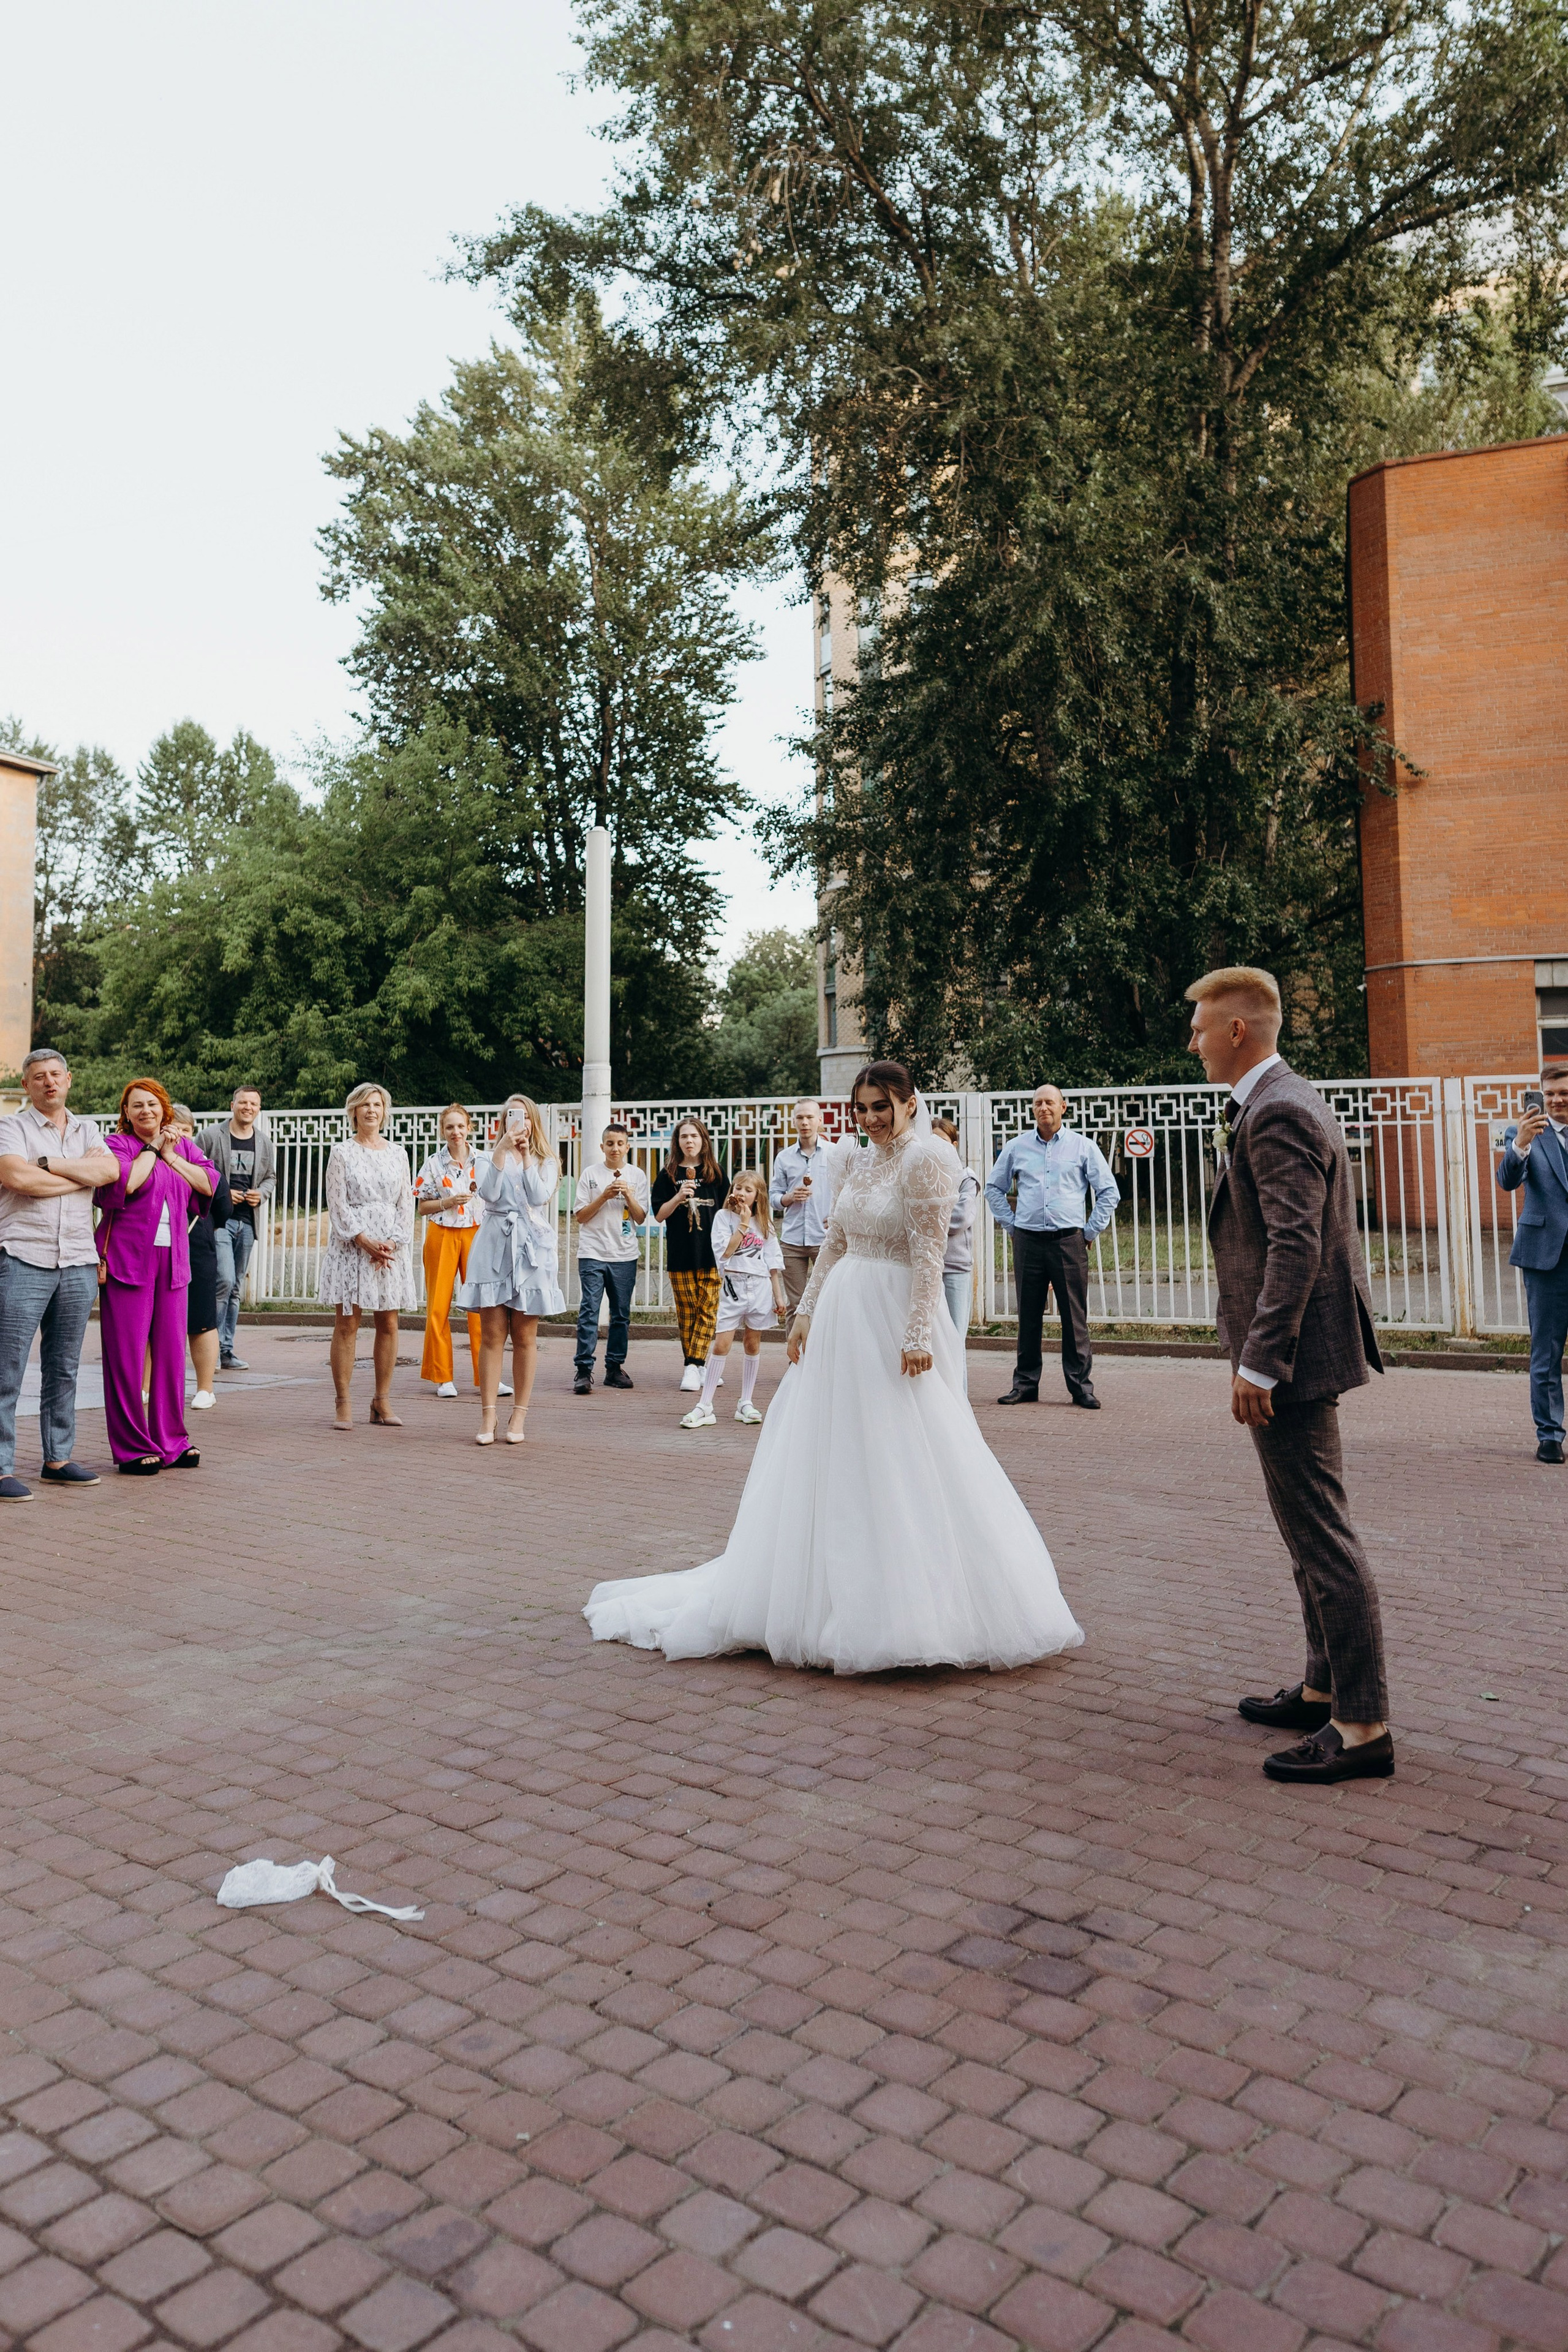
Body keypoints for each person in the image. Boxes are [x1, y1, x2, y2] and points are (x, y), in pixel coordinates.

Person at [585, 1061, 1084, 1673]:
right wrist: (804, 1314)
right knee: (837, 1447)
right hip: (844, 1316)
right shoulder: (855, 1160)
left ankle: (916, 1602)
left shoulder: (929, 1159)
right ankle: (824, 1591)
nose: (871, 1119)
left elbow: (930, 1252)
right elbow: (836, 1244)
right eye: (862, 1108)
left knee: (907, 1444)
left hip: (897, 1314)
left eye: (882, 1106)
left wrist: (917, 1334)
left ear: (909, 1103)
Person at [1188, 963, 1391, 1786]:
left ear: (1237, 1030)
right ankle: (1322, 1689)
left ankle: (1363, 1724)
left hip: (1295, 1358)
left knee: (1323, 1538)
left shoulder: (1276, 1110)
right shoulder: (1278, 1100)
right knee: (1304, 1531)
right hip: (1298, 1352)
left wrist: (1260, 1363)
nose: (1193, 1043)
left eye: (1200, 1028)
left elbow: (1295, 1246)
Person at [0, 1047, 118, 1502]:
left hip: (78, 1261)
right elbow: (18, 1179)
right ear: (26, 1085)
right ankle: (2, 1467)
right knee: (7, 1368)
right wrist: (81, 1177)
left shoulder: (89, 1130)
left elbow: (109, 1171)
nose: (49, 1082)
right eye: (39, 1077)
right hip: (22, 1257)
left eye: (55, 1074)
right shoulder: (11, 1127)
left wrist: (48, 1164)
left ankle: (57, 1459)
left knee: (64, 1367)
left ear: (69, 1079)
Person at [96, 1080, 216, 1474]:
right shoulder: (116, 1146)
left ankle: (171, 1441)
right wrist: (152, 1150)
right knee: (127, 1358)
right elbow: (126, 1182)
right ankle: (132, 1447)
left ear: (164, 1109)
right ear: (126, 1113)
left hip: (174, 1261)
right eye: (137, 1106)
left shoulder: (183, 1146)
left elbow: (209, 1184)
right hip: (128, 1261)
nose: (145, 1111)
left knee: (170, 1354)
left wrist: (171, 1155)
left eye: (152, 1104)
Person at [987, 1085, 1118, 1411]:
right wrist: (1011, 1225)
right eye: (1038, 1103)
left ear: (1063, 1107)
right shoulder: (1017, 1147)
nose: (1043, 1107)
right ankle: (1025, 1384)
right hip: (1028, 1241)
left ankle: (1081, 1388)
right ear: (1033, 1110)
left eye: (1049, 1102)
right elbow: (993, 1188)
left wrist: (1090, 1231)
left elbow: (1108, 1191)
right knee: (1028, 1316)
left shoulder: (1083, 1147)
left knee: (1074, 1317)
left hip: (1069, 1242)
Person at [457, 1094, 565, 1444]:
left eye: (525, 1117)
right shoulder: (486, 1157)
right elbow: (488, 1194)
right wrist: (502, 1151)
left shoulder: (548, 1160)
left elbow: (538, 1197)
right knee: (491, 1335)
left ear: (534, 1122)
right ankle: (488, 1414)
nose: (519, 1123)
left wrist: (527, 1155)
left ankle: (519, 1415)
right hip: (493, 1243)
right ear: (502, 1122)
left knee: (524, 1336)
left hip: (531, 1247)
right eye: (512, 1117)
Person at [318, 1082, 415, 1430]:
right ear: (354, 1112)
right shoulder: (341, 1152)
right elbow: (337, 1203)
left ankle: (381, 1401)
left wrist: (392, 1242)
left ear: (384, 1111)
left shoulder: (399, 1153)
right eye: (365, 1105)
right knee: (348, 1323)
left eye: (377, 1105)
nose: (371, 1110)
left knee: (389, 1323)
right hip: (352, 1246)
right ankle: (343, 1402)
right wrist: (363, 1240)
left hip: (389, 1250)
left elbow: (406, 1203)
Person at [1496, 1061, 1568, 1463]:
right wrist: (1521, 1144)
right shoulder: (1522, 1133)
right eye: (1550, 1093)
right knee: (1547, 1352)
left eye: (1564, 1093)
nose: (1557, 1100)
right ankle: (1549, 1435)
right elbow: (1507, 1181)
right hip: (1546, 1258)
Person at [680, 1169, 787, 1428]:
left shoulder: (765, 1224)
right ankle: (705, 1405)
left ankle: (746, 1402)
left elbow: (772, 1262)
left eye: (748, 1190)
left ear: (758, 1196)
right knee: (721, 1344)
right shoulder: (723, 1217)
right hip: (733, 1286)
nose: (741, 1193)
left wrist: (779, 1296)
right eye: (738, 1187)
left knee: (752, 1344)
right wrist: (743, 1223)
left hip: (760, 1287)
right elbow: (725, 1253)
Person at [198, 1087, 274, 1372]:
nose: (248, 1107)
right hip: (219, 1220)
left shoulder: (265, 1142)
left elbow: (271, 1178)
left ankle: (226, 1351)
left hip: (247, 1222)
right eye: (243, 1102)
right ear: (233, 1105)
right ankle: (210, 1349)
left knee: (236, 1288)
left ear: (259, 1108)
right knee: (224, 1280)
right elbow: (195, 1169)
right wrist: (220, 1192)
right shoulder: (210, 1136)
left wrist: (261, 1194)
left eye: (254, 1103)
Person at [573, 1123, 649, 1395]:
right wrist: (604, 1196)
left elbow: (640, 1217)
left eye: (620, 1144)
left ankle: (614, 1368)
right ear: (602, 1147)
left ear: (627, 1147)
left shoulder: (637, 1176)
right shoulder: (590, 1174)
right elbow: (580, 1216)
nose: (615, 1149)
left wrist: (628, 1194)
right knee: (590, 1311)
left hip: (624, 1255)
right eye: (610, 1144)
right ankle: (583, 1370)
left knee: (621, 1315)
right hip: (592, 1253)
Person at [651, 1118, 726, 1392]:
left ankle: (692, 1365)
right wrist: (679, 1196)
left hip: (711, 1252)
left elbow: (727, 1210)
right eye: (684, 1137)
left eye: (694, 1136)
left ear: (703, 1140)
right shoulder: (668, 1175)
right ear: (677, 1142)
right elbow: (659, 1215)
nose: (689, 1141)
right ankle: (699, 1366)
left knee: (709, 1309)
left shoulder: (715, 1173)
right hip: (681, 1253)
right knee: (688, 1312)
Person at [414, 1104, 484, 1398]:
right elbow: (422, 1207)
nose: (456, 1132)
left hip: (477, 1234)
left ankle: (487, 1375)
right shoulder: (433, 1164)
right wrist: (449, 1202)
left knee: (483, 1307)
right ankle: (443, 1377)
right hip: (442, 1233)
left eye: (460, 1126)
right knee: (438, 1307)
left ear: (469, 1127)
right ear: (442, 1131)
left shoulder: (484, 1160)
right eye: (449, 1127)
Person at [170, 1104, 232, 1412]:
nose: (179, 1135)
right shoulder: (151, 1156)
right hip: (158, 1246)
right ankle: (146, 1387)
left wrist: (206, 1227)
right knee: (154, 1322)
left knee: (202, 1319)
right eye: (174, 1128)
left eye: (185, 1130)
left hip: (196, 1243)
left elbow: (223, 1205)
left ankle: (205, 1388)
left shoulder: (202, 1162)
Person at [769, 1100, 832, 1325]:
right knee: (796, 1306)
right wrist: (789, 1197)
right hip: (792, 1240)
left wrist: (837, 1216)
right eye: (800, 1118)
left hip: (825, 1239)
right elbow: (773, 1197)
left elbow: (847, 1190)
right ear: (794, 1122)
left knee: (827, 1303)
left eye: (809, 1117)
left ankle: (821, 1349)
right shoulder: (784, 1157)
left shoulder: (833, 1153)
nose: (805, 1122)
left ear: (819, 1120)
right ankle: (794, 1350)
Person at [931, 1116, 980, 1385]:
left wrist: (927, 1219)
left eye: (942, 1141)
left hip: (955, 1269)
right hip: (926, 1268)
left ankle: (959, 1398)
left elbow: (960, 1219)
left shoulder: (966, 1178)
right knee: (931, 1340)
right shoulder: (922, 1176)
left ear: (954, 1144)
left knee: (955, 1338)